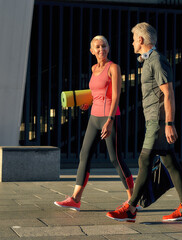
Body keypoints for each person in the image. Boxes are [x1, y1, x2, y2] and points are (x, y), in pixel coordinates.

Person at [106, 22, 182, 222]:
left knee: (144, 160)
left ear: (140, 40)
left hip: (158, 121)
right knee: (171, 163)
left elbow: (169, 92)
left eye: (133, 40)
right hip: (154, 120)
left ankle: (130, 208)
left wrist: (169, 123)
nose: (131, 44)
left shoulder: (156, 60)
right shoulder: (149, 62)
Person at [54, 35, 137, 211]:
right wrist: (88, 102)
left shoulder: (113, 68)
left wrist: (110, 120)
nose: (101, 50)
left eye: (104, 46)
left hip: (110, 117)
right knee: (84, 155)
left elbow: (115, 96)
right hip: (94, 117)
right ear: (92, 51)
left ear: (109, 47)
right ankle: (76, 198)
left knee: (116, 159)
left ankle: (133, 199)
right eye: (98, 47)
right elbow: (96, 93)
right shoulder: (93, 68)